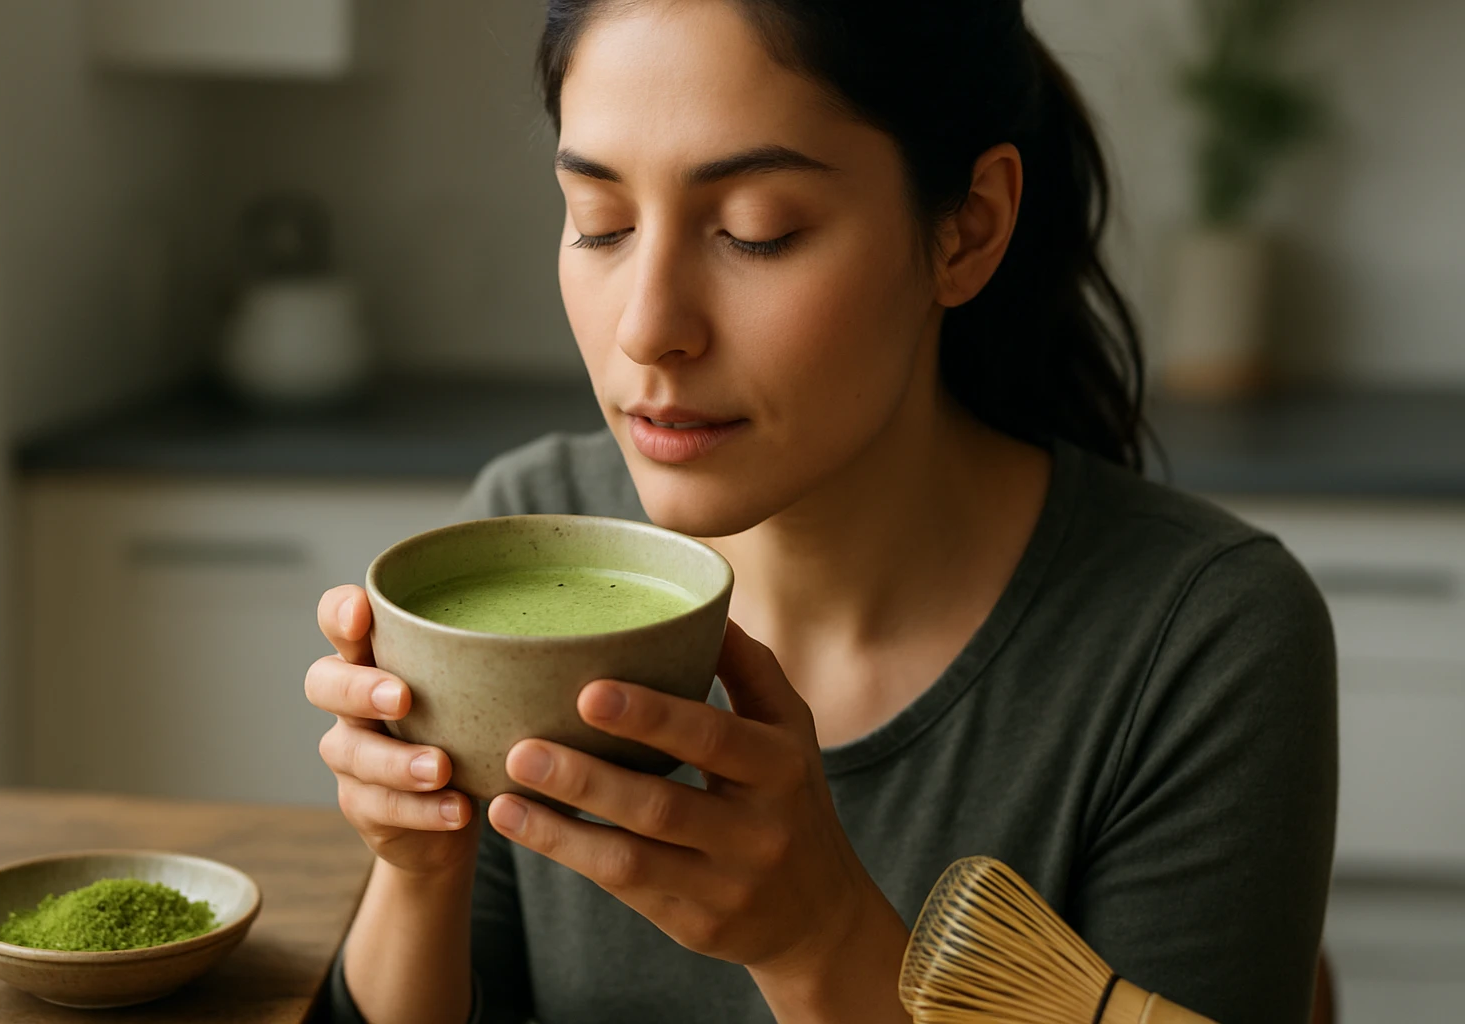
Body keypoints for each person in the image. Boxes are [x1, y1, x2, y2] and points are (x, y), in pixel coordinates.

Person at [305, 2, 1338, 1022]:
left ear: (967, 230)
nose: (649, 328)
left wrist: (819, 942)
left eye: (756, 232)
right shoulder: (527, 532)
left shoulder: (1202, 642)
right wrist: (415, 868)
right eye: (600, 224)